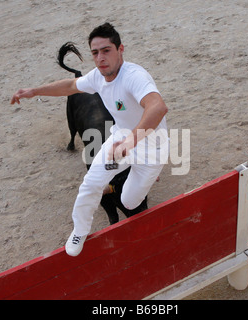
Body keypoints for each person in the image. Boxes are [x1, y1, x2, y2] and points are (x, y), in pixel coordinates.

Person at [11, 23, 168, 256]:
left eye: (106, 50)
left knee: (130, 201)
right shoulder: (97, 76)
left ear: (120, 49)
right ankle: (79, 230)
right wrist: (35, 91)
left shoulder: (134, 76)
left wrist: (129, 144)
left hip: (151, 147)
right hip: (120, 138)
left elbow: (158, 107)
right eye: (95, 53)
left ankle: (140, 176)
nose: (100, 58)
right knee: (91, 183)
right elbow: (71, 85)